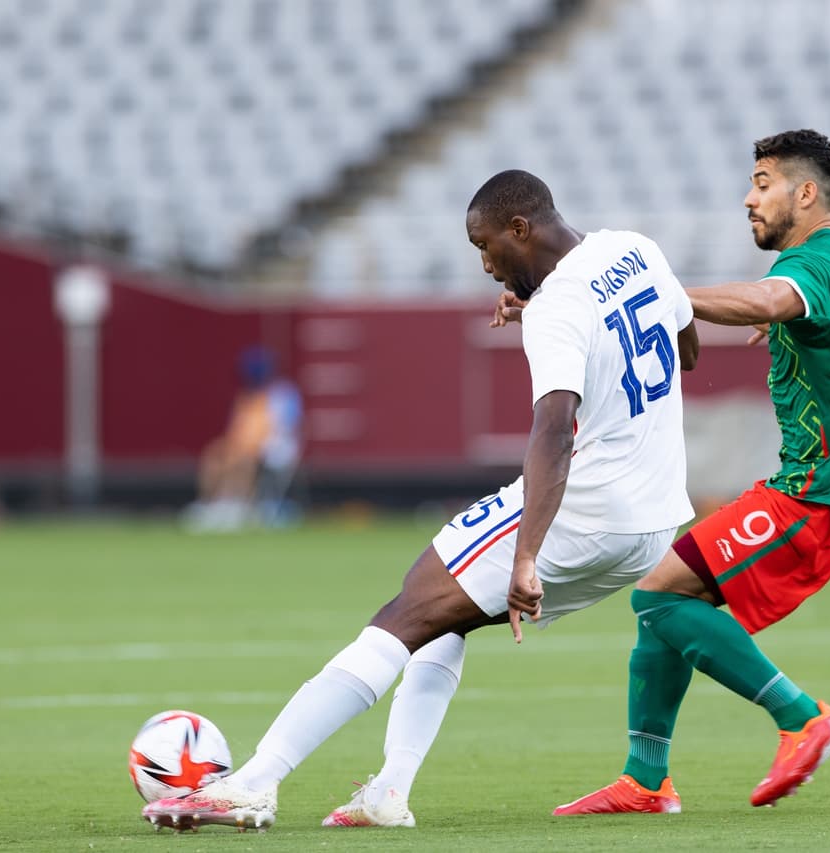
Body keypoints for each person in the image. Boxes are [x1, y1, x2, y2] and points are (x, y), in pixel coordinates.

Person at [142, 170, 699, 831]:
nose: (486, 265)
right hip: (652, 522)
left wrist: (525, 556)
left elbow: (553, 431)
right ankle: (387, 792)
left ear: (520, 228)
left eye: (485, 246)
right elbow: (686, 349)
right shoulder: (635, 249)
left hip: (584, 507)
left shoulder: (557, 308)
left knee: (403, 613)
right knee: (445, 618)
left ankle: (252, 784)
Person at [555, 129, 830, 815]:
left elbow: (770, 300)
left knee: (657, 597)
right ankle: (644, 779)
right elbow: (810, 315)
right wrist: (792, 321)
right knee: (667, 600)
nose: (749, 198)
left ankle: (802, 716)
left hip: (821, 492)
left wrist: (659, 296)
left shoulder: (816, 264)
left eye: (763, 183)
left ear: (806, 193)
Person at [182, 345, 303, 531]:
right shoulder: (246, 397)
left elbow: (283, 429)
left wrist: (253, 446)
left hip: (272, 448)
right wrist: (231, 447)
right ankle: (212, 505)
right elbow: (236, 430)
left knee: (243, 460)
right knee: (214, 455)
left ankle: (236, 505)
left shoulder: (282, 394)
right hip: (244, 446)